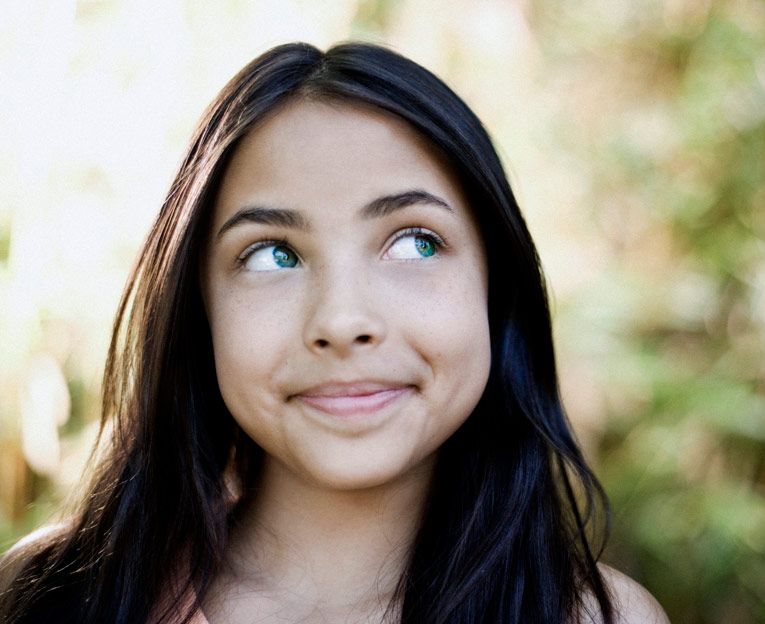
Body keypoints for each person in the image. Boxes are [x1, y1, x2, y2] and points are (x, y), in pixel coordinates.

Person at [0, 42, 668, 624]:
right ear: (200, 308)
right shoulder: (54, 596)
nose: (342, 322)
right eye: (271, 254)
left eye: (414, 243)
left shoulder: (598, 618)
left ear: (497, 288)